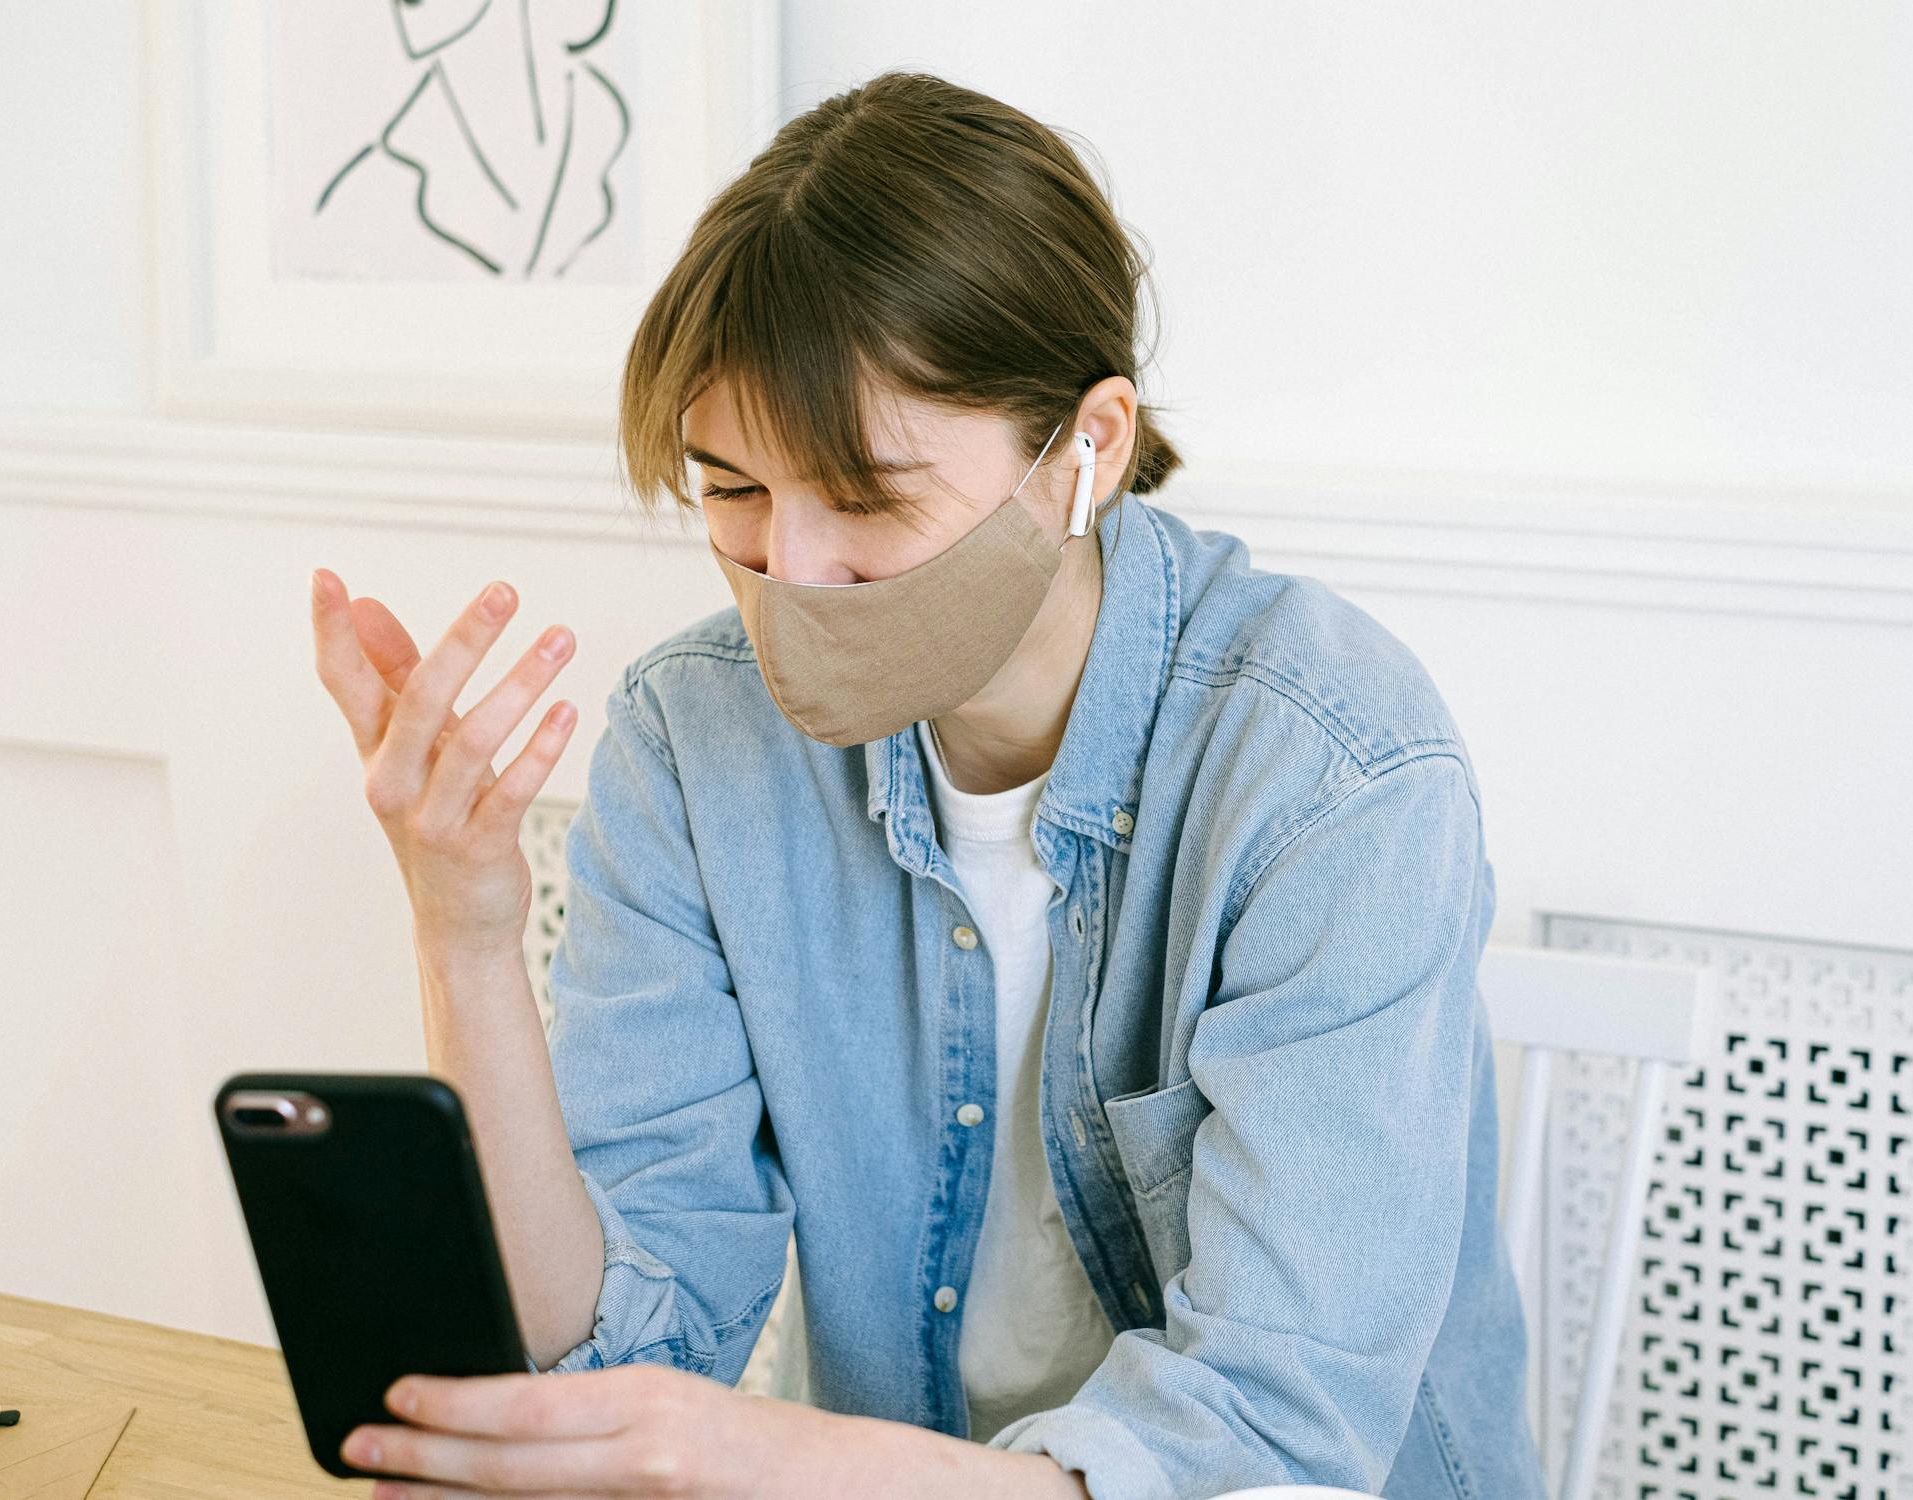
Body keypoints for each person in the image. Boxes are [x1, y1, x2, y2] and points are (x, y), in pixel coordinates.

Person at [309, 68, 1547, 1500]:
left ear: (1087, 447)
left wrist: (770, 1456)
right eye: (731, 490)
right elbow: (610, 1353)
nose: (792, 570)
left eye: (872, 500)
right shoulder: (696, 741)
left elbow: (1275, 1427)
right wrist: (462, 930)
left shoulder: (1330, 764)